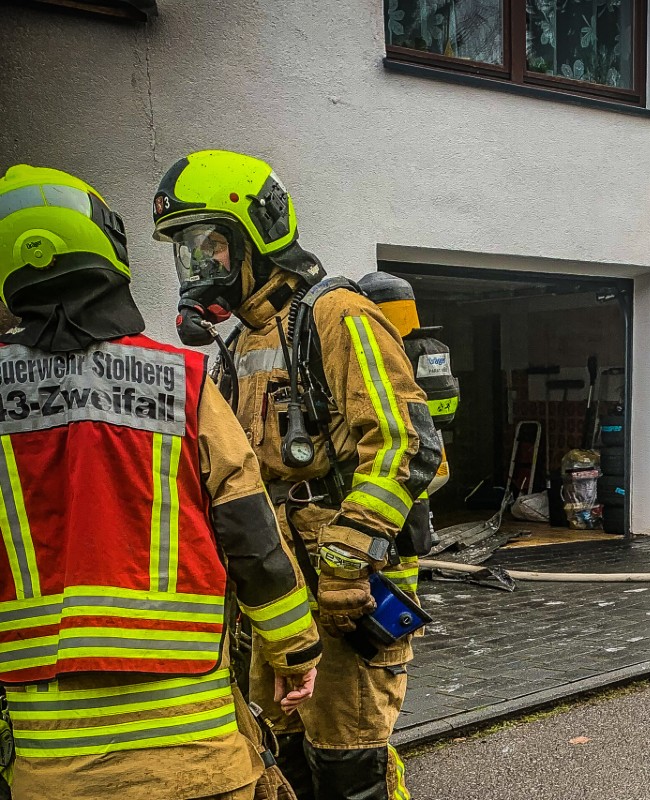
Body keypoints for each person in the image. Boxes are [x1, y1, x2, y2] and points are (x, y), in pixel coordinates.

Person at [0, 164, 321, 800]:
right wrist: (296, 651)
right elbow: (250, 533)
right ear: (109, 252)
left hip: (52, 766)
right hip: (195, 752)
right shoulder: (184, 381)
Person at [152, 150, 441, 800]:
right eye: (186, 252)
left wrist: (345, 563)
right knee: (282, 766)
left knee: (347, 772)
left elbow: (406, 445)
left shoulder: (335, 315)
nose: (198, 269)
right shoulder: (245, 342)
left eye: (207, 246)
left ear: (257, 233)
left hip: (351, 595)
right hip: (283, 611)